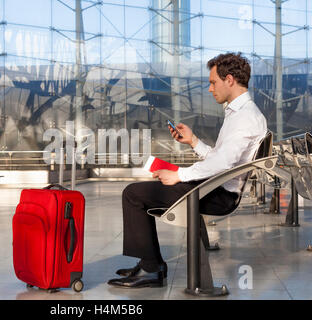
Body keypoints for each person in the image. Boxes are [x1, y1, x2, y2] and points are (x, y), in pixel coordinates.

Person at [107, 52, 268, 289]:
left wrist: (179, 175)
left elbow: (223, 163)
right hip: (214, 187)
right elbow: (222, 159)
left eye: (213, 82)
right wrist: (193, 141)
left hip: (217, 195)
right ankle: (150, 263)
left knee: (133, 194)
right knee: (142, 189)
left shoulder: (245, 117)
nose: (210, 88)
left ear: (230, 80)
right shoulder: (239, 113)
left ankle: (151, 267)